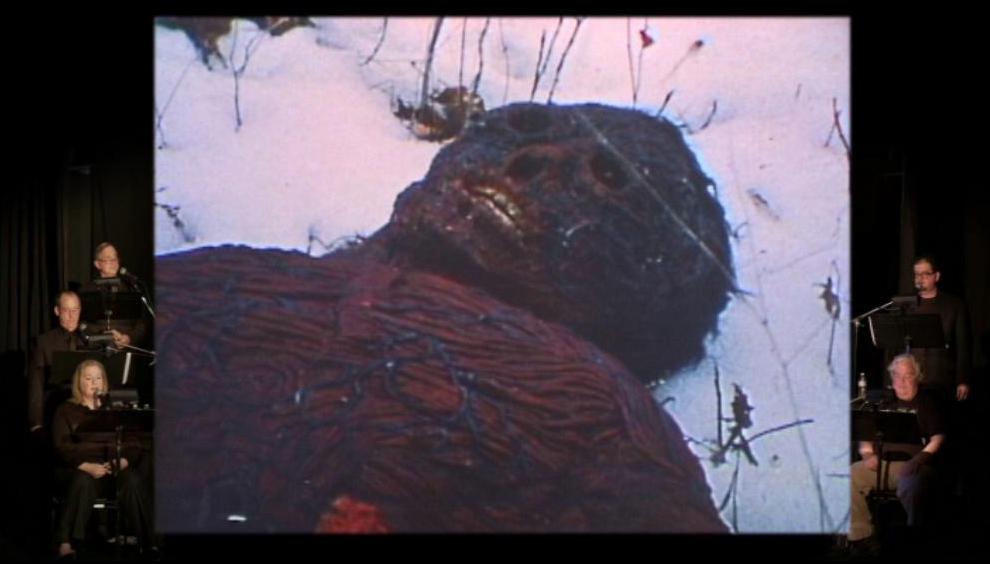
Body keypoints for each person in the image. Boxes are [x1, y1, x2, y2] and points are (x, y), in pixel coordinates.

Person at [154, 103, 735, 532]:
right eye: (524, 125)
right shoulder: (246, 274)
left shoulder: (600, 419)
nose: (533, 160)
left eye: (609, 179)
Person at [51, 359, 152, 557]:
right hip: (81, 469)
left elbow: (134, 442)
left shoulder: (116, 409)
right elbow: (62, 446)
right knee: (82, 481)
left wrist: (123, 461)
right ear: (79, 382)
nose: (94, 383)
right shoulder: (65, 410)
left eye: (98, 378)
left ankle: (147, 541)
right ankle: (67, 541)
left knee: (133, 480)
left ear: (104, 382)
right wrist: (85, 466)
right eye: (88, 378)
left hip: (114, 467)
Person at [849, 354, 947, 545]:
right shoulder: (882, 401)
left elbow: (939, 438)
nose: (902, 382)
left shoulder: (927, 403)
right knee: (848, 476)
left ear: (917, 378)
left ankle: (914, 541)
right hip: (882, 465)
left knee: (914, 487)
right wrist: (867, 454)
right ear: (891, 379)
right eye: (897, 376)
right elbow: (865, 433)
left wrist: (917, 461)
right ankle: (861, 536)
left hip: (915, 466)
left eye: (907, 376)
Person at [908, 254, 971, 403]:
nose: (920, 278)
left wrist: (963, 380)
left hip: (942, 381)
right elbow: (894, 348)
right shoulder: (906, 304)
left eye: (925, 274)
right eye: (917, 274)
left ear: (936, 276)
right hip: (911, 381)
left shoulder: (953, 305)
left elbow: (963, 346)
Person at [27, 290, 86, 434]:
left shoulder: (89, 339)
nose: (72, 316)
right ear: (57, 311)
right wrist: (36, 422)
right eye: (66, 310)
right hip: (56, 410)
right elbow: (36, 384)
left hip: (86, 412)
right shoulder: (44, 342)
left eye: (75, 310)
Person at [79, 242, 147, 348]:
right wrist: (103, 335)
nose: (114, 263)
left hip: (125, 349)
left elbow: (140, 325)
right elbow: (81, 324)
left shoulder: (130, 289)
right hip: (97, 348)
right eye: (108, 259)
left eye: (115, 259)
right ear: (97, 264)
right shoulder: (86, 290)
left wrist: (128, 338)